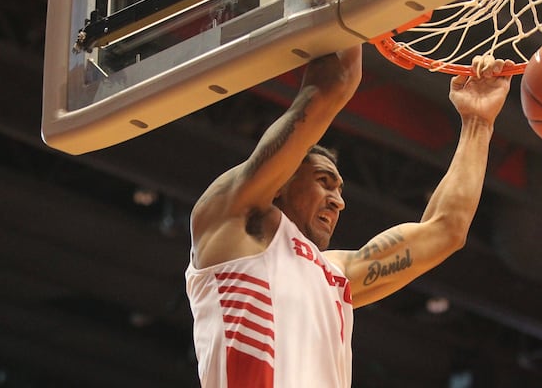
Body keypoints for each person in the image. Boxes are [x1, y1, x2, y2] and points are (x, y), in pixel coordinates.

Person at [185, 44, 513, 387]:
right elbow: (335, 82)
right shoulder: (228, 221)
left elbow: (446, 230)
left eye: (339, 190)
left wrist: (478, 122)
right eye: (324, 182)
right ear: (281, 183)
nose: (337, 201)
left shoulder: (334, 275)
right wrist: (353, 9)